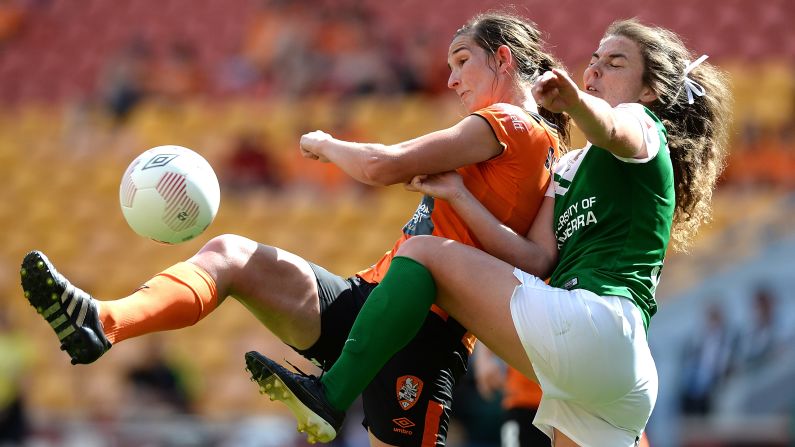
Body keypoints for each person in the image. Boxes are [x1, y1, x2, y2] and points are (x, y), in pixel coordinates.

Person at [19, 12, 567, 447]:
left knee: (235, 255)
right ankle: (103, 321)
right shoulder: (550, 154)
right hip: (374, 300)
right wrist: (463, 198)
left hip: (423, 335)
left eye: (462, 60)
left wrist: (324, 144)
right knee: (230, 254)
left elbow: (380, 166)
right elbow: (532, 256)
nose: (450, 79)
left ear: (502, 59)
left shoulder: (509, 122)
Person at [245, 17, 732, 446]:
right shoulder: (570, 167)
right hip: (612, 370)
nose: (595, 70)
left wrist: (577, 101)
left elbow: (610, 127)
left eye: (616, 62)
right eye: (594, 59)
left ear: (650, 91)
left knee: (423, 252)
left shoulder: (642, 125)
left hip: (597, 325)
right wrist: (459, 196)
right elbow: (535, 259)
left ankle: (330, 393)